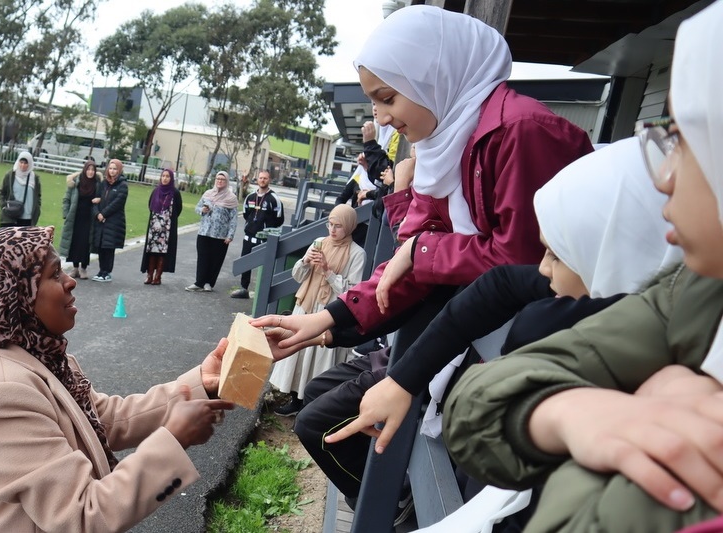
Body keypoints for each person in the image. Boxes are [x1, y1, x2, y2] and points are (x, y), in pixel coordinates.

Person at [444, 3, 723, 530]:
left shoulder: (522, 129)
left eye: (686, 139)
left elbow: (501, 263)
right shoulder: (693, 293)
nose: (661, 176)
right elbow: (474, 405)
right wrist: (571, 412)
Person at [293, 136, 681, 515]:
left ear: (613, 248)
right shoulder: (618, 300)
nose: (541, 268)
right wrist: (402, 378)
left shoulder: (645, 359)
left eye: (557, 253)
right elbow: (501, 282)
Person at [251, 5, 592, 384]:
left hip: (524, 352)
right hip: (475, 331)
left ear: (434, 77)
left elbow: (523, 263)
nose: (380, 118)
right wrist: (326, 318)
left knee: (330, 418)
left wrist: (420, 249)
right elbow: (413, 257)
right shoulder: (443, 146)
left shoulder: (522, 132)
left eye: (387, 98)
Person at [0, 225, 235, 531]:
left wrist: (200, 382)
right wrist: (175, 439)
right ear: (15, 294)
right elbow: (82, 516)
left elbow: (102, 420)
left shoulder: (35, 354)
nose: (70, 282)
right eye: (54, 274)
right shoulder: (1, 395)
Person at [270, 204, 366, 416]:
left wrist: (327, 270)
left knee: (318, 357)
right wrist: (305, 261)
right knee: (300, 353)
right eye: (330, 224)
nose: (332, 230)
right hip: (306, 305)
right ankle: (295, 400)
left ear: (349, 226)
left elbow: (352, 291)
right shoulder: (319, 243)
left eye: (338, 226)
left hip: (328, 312)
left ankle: (309, 407)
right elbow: (297, 276)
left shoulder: (357, 253)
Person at [230, 170, 285, 299]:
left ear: (269, 180)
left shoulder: (274, 199)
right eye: (260, 178)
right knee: (245, 261)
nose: (262, 180)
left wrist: (267, 228)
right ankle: (244, 288)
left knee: (265, 264)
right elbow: (245, 214)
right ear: (257, 179)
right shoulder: (250, 197)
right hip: (249, 236)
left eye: (265, 178)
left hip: (265, 238)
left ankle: (263, 291)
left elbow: (279, 219)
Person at [185, 171, 238, 292]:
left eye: (222, 179)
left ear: (227, 182)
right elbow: (197, 208)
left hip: (220, 236)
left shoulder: (231, 198)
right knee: (203, 257)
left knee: (215, 260)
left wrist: (230, 235)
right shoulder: (208, 194)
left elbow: (233, 219)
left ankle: (209, 282)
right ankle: (199, 282)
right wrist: (202, 210)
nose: (219, 181)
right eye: (218, 179)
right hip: (204, 232)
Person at [140, 169, 183, 286]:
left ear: (171, 178)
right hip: (154, 226)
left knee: (163, 251)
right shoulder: (156, 191)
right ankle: (149, 275)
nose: (165, 178)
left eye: (167, 176)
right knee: (152, 250)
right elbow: (150, 205)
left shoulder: (175, 193)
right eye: (163, 176)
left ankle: (158, 276)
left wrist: (166, 219)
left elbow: (178, 209)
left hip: (167, 228)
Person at [58, 160, 99, 280]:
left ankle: (83, 268)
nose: (90, 172)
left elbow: (100, 199)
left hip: (89, 218)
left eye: (92, 170)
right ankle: (75, 268)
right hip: (75, 217)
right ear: (85, 170)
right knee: (74, 242)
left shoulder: (97, 184)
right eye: (88, 169)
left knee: (85, 243)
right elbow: (66, 199)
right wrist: (66, 214)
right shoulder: (75, 183)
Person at [91, 158, 128, 282]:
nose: (112, 171)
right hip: (101, 221)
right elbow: (96, 199)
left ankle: (107, 272)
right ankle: (101, 270)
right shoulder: (104, 183)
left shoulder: (123, 185)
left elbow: (117, 203)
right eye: (110, 168)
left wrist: (104, 214)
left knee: (109, 247)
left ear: (119, 170)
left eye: (115, 169)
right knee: (101, 247)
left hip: (113, 221)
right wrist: (97, 214)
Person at [0, 151, 41, 227]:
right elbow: (1, 192)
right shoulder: (10, 175)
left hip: (27, 218)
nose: (23, 165)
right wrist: (4, 205)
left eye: (25, 163)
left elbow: (38, 196)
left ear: (29, 164)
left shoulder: (34, 178)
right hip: (11, 217)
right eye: (21, 162)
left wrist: (37, 209)